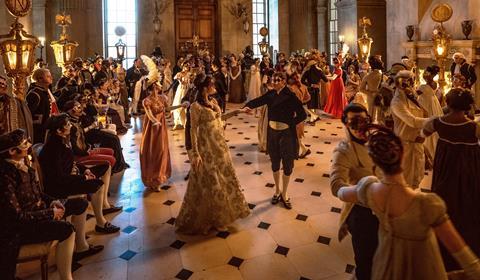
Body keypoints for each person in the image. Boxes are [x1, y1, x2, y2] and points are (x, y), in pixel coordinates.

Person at [336, 126, 480, 280]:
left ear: (375, 163)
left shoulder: (369, 190)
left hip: (385, 267)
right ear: (403, 155)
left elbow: (341, 193)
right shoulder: (428, 205)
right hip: (423, 271)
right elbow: (461, 253)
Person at [0, 129, 85, 280]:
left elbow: (37, 194)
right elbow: (16, 217)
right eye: (25, 143)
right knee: (66, 229)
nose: (29, 145)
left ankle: (81, 248)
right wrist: (50, 213)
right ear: (12, 151)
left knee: (79, 204)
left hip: (39, 211)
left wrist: (53, 201)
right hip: (20, 230)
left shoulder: (22, 164)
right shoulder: (5, 176)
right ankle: (66, 276)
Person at [175, 76, 250, 234]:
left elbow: (220, 118)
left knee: (223, 180)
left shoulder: (213, 102)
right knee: (211, 183)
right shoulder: (195, 107)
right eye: (211, 84)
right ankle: (214, 219)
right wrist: (195, 154)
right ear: (204, 88)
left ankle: (219, 216)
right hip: (206, 148)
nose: (214, 86)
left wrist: (238, 111)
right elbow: (192, 130)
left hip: (219, 147)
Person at [422, 88, 480, 272]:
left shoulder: (437, 122)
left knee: (444, 200)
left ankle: (442, 238)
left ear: (447, 104)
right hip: (469, 171)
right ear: (468, 106)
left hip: (445, 170)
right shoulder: (474, 127)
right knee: (468, 202)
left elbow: (421, 135)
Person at [39, 114, 120, 234]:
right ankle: (100, 223)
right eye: (67, 125)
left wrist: (84, 170)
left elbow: (71, 163)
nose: (70, 126)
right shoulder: (53, 148)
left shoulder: (62, 141)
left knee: (105, 167)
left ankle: (104, 205)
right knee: (97, 185)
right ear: (59, 130)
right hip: (59, 186)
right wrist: (83, 177)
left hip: (69, 177)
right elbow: (59, 177)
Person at [244, 72, 307, 209]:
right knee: (274, 161)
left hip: (286, 134)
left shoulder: (290, 96)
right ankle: (277, 190)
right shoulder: (271, 94)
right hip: (272, 133)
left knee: (287, 163)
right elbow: (258, 101)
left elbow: (302, 114)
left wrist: (291, 123)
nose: (274, 82)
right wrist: (247, 106)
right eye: (273, 79)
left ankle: (285, 194)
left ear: (284, 81)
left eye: (277, 80)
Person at [330, 103, 379, 280]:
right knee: (366, 261)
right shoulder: (344, 151)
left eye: (364, 121)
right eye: (353, 122)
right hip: (361, 211)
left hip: (386, 209)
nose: (360, 127)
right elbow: (336, 185)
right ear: (345, 124)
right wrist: (364, 191)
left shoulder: (377, 141)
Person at [390, 70, 429, 188]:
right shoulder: (397, 102)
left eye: (412, 82)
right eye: (408, 83)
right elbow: (412, 121)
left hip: (417, 143)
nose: (411, 86)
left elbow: (424, 113)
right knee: (404, 181)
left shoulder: (412, 98)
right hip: (405, 144)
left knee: (416, 178)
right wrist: (435, 121)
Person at [139, 56, 172, 191]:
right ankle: (152, 178)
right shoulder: (146, 100)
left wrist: (181, 105)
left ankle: (160, 176)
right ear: (154, 86)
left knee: (162, 150)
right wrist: (154, 121)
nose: (160, 84)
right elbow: (149, 113)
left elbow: (168, 110)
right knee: (153, 151)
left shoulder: (163, 98)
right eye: (158, 83)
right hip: (152, 128)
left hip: (161, 127)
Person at [416, 65, 443, 162]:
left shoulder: (422, 87)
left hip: (426, 104)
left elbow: (415, 95)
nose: (424, 75)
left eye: (426, 73)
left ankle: (428, 151)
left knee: (427, 122)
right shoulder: (434, 84)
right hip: (432, 104)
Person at [26, 68, 59, 143]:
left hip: (47, 129)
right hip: (39, 131)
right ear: (40, 79)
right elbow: (28, 114)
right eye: (48, 76)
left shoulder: (45, 91)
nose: (51, 78)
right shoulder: (34, 94)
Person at [287, 73, 311, 158]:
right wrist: (301, 102)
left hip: (293, 112)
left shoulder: (291, 89)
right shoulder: (304, 87)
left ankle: (299, 151)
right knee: (297, 133)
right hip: (301, 111)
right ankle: (303, 149)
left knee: (293, 133)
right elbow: (308, 98)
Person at [301, 57, 328, 123]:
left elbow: (302, 80)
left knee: (310, 104)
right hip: (317, 89)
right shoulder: (319, 71)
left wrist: (310, 84)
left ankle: (313, 119)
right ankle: (313, 118)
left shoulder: (307, 71)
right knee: (315, 104)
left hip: (310, 89)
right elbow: (326, 80)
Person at [359, 56, 384, 122]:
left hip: (371, 96)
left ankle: (370, 127)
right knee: (380, 115)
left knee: (370, 114)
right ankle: (379, 129)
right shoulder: (383, 76)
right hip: (381, 96)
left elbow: (361, 89)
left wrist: (370, 93)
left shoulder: (367, 76)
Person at [172, 64, 191, 130]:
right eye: (186, 66)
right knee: (178, 104)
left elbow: (189, 83)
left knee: (187, 106)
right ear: (183, 67)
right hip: (181, 90)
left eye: (188, 66)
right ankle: (177, 122)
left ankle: (186, 122)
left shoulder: (189, 74)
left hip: (187, 90)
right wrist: (179, 80)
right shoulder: (179, 74)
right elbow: (180, 82)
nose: (187, 67)